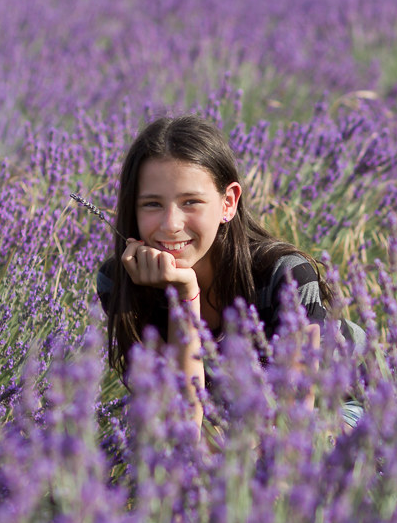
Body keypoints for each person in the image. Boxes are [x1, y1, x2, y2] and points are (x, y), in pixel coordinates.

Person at [96, 115, 364, 438]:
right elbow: (180, 427)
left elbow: (295, 426)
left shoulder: (285, 276)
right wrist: (184, 296)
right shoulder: (122, 280)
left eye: (190, 202)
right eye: (152, 204)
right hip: (232, 424)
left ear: (228, 202)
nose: (170, 224)